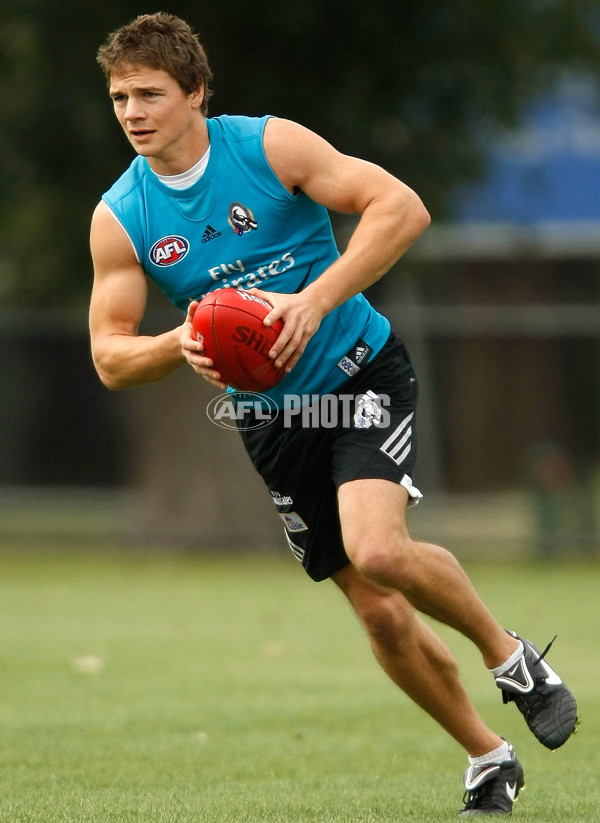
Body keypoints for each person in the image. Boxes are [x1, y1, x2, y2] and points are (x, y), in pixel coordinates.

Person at [90, 12, 578, 815]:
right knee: (380, 613)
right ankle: (488, 755)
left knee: (379, 548)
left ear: (196, 92)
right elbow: (110, 355)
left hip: (359, 372)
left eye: (150, 94)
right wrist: (181, 340)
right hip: (272, 420)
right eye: (119, 98)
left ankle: (510, 657)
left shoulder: (268, 147)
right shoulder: (122, 216)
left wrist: (313, 300)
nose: (133, 113)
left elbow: (401, 208)